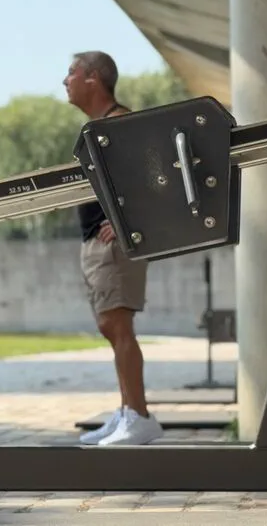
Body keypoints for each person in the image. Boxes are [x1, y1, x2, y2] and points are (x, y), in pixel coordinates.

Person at [63, 50, 163, 445]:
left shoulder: (120, 123)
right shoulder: (98, 127)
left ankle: (139, 416)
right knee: (110, 326)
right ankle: (127, 411)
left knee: (118, 326)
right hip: (95, 242)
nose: (64, 80)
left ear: (93, 79)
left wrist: (124, 224)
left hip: (115, 242)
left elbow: (153, 175)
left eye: (71, 72)